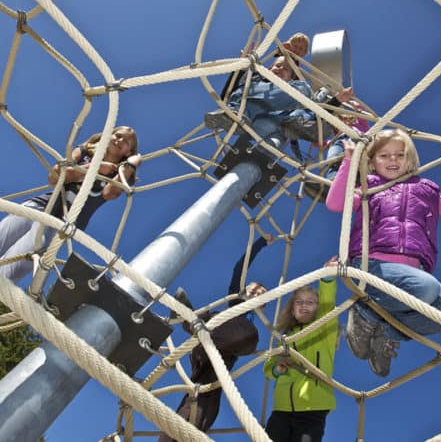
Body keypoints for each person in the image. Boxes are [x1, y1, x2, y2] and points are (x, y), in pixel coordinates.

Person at [326, 128, 441, 377]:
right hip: (373, 265)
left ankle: (385, 334)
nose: (393, 160)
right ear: (373, 161)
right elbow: (334, 204)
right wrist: (349, 161)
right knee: (426, 288)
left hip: (412, 272)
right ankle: (365, 313)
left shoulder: (426, 191)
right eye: (384, 156)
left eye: (399, 155)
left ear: (411, 159)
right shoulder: (369, 187)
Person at [158, 234, 274, 442]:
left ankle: (178, 436)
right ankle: (191, 319)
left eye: (262, 294)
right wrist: (261, 242)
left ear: (263, 305)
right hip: (208, 342)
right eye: (254, 289)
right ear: (244, 290)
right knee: (242, 332)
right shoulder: (235, 301)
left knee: (205, 401)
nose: (257, 293)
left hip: (220, 357)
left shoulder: (251, 320)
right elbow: (241, 266)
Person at [0, 126, 140, 284]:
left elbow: (109, 193)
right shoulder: (85, 152)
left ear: (129, 151)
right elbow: (54, 177)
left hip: (61, 223)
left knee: (19, 262)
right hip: (41, 205)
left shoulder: (121, 174)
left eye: (126, 141)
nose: (119, 140)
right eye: (117, 135)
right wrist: (94, 168)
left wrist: (131, 165)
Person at [263, 257, 338, 442]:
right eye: (299, 302)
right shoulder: (285, 338)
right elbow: (269, 367)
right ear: (292, 309)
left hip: (312, 408)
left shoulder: (325, 330)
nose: (304, 305)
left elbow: (328, 303)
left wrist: (327, 278)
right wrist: (277, 369)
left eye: (311, 302)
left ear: (317, 308)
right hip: (281, 409)